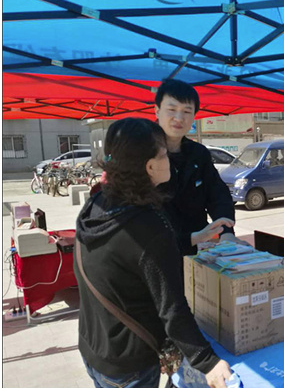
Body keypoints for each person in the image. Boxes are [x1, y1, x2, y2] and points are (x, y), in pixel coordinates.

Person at [75, 118, 233, 388]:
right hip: (129, 364)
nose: (169, 160)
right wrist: (207, 362)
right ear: (150, 167)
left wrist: (194, 238)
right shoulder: (148, 225)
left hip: (95, 346)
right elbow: (172, 309)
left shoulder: (99, 203)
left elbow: (133, 255)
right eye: (164, 154)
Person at [155, 79, 248, 255]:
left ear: (194, 116)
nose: (179, 118)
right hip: (156, 249)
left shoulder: (198, 153)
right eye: (172, 110)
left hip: (197, 248)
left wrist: (226, 232)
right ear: (157, 110)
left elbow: (217, 194)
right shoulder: (142, 150)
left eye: (186, 111)